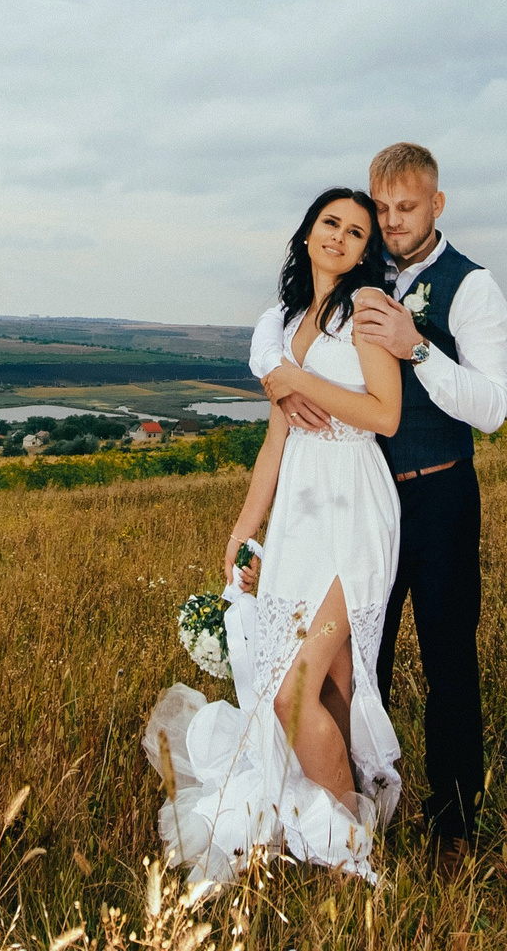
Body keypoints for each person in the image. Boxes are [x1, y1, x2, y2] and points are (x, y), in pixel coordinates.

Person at [251, 142, 507, 849]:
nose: (392, 221)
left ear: (437, 204)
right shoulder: (356, 276)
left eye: (407, 207)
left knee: (449, 662)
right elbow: (284, 332)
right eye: (382, 208)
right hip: (359, 504)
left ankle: (454, 830)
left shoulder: (472, 286)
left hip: (438, 494)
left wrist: (417, 346)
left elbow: (492, 408)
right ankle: (359, 815)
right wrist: (277, 376)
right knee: (359, 664)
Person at [143, 188, 408, 883]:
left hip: (354, 511)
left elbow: (386, 415)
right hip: (299, 513)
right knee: (333, 687)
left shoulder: (366, 311)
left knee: (296, 691)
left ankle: (348, 854)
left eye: (357, 231)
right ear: (308, 233)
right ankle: (354, 812)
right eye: (330, 223)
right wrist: (243, 527)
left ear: (366, 250)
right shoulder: (289, 322)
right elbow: (275, 443)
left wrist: (295, 379)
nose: (340, 237)